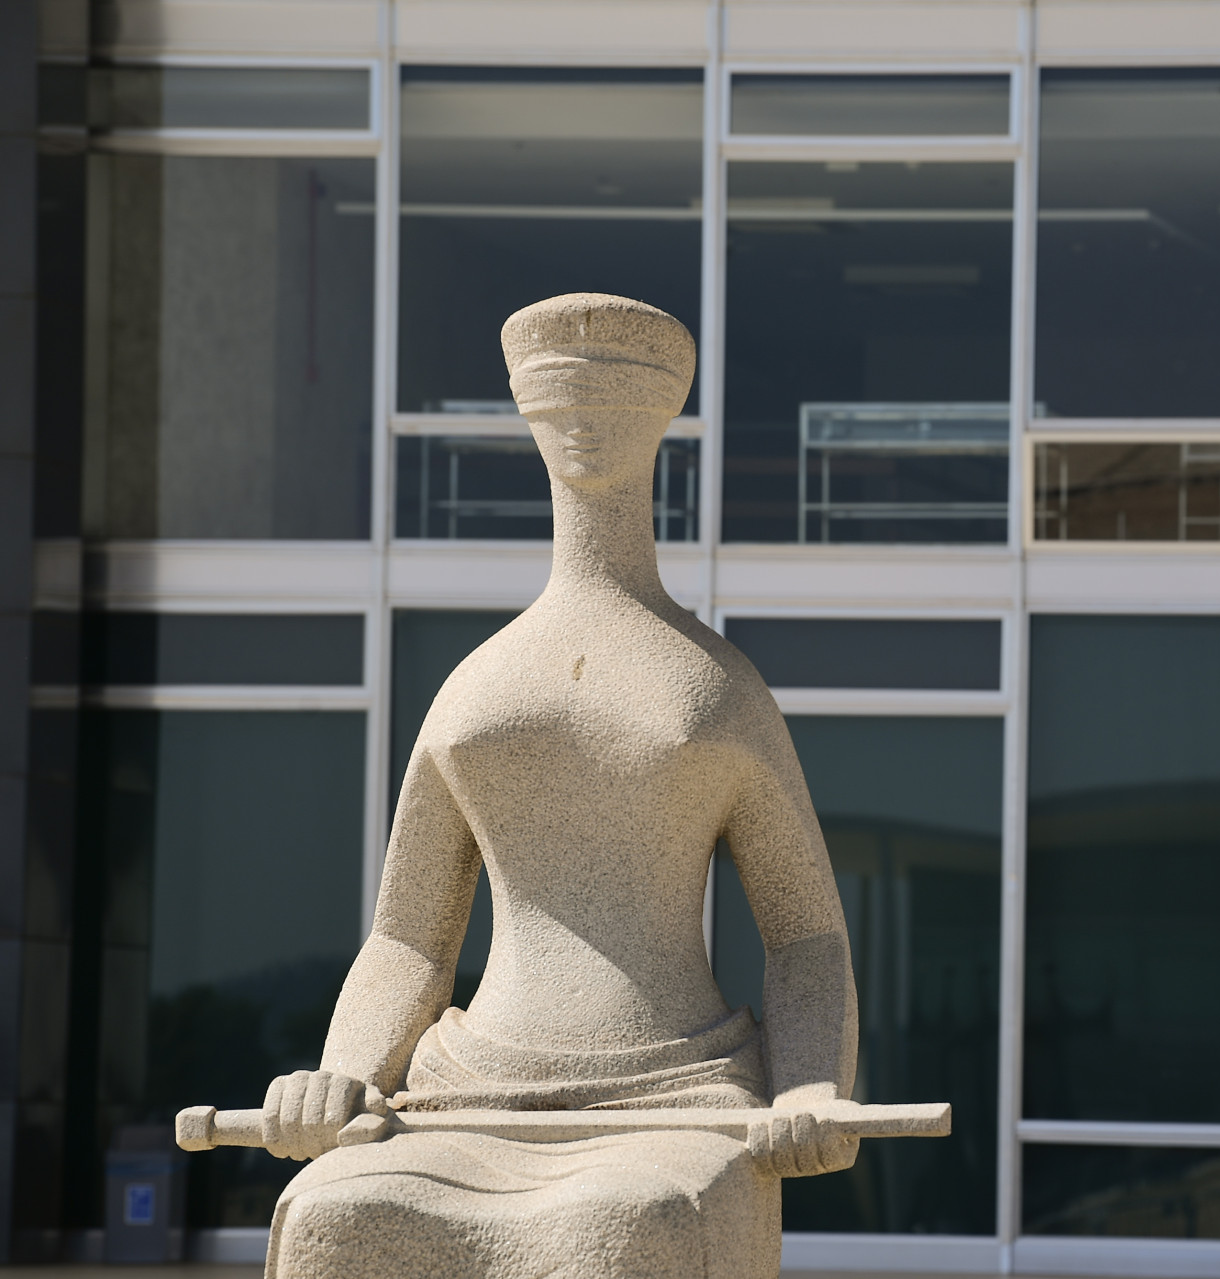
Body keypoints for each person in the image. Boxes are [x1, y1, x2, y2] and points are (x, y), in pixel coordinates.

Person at [260, 294, 858, 1278]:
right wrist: (342, 1075)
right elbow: (408, 937)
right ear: (529, 418)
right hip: (464, 1093)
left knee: (614, 1233)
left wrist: (805, 1090)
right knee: (334, 1220)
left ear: (663, 416)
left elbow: (806, 934)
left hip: (674, 1098)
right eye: (562, 395)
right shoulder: (478, 686)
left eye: (613, 393)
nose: (586, 416)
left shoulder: (717, 689)